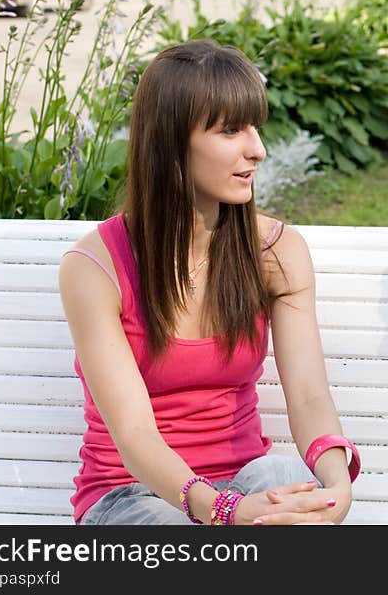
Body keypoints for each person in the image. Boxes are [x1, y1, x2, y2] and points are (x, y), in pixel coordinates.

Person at [59, 39, 359, 526]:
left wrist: (334, 482)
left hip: (245, 483)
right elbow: (134, 435)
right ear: (171, 142)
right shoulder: (94, 269)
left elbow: (308, 396)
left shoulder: (276, 253)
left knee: (288, 477)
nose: (257, 150)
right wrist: (222, 511)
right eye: (230, 131)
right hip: (131, 496)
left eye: (255, 128)